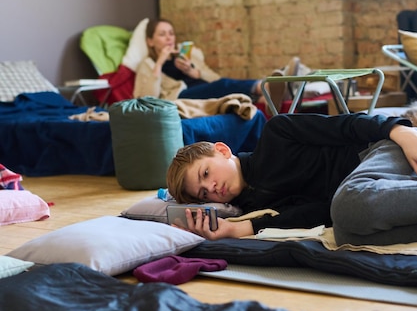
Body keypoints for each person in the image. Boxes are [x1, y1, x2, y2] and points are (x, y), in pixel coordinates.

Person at [166, 111, 417, 247]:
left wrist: (400, 131)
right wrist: (235, 228)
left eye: (206, 173)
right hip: (368, 194)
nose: (211, 188)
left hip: (378, 152)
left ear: (222, 150)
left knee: (347, 205)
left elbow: (347, 125)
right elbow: (320, 215)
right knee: (345, 234)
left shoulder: (278, 133)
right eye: (203, 194)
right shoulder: (255, 210)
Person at [132, 18, 264, 102]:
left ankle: (267, 95)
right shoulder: (147, 64)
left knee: (225, 90)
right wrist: (159, 63)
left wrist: (193, 72)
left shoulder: (187, 55)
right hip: (181, 96)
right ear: (150, 41)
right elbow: (147, 99)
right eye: (162, 34)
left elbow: (214, 78)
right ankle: (263, 86)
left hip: (204, 89)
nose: (169, 38)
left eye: (171, 33)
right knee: (223, 85)